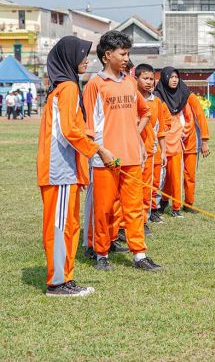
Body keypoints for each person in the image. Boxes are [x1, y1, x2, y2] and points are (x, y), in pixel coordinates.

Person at [37, 36, 115, 296]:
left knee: (70, 225)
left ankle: (66, 278)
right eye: (83, 56)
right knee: (60, 227)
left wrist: (88, 133)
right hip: (59, 172)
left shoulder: (65, 87)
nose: (87, 61)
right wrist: (99, 149)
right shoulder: (68, 87)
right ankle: (57, 283)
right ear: (69, 57)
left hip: (67, 172)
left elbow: (71, 127)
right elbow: (70, 131)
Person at [83, 30, 161, 272]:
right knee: (104, 210)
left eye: (128, 54)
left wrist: (134, 138)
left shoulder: (129, 82)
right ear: (107, 55)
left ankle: (139, 254)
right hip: (106, 160)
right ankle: (101, 253)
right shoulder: (95, 85)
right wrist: (101, 151)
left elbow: (144, 111)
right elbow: (89, 126)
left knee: (134, 207)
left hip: (132, 158)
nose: (127, 58)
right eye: (123, 53)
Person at [155, 66, 211, 216]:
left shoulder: (186, 93)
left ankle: (189, 203)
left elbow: (200, 115)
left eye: (176, 77)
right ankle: (166, 201)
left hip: (190, 138)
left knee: (190, 174)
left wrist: (204, 139)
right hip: (171, 139)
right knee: (170, 173)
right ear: (165, 78)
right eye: (171, 77)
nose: (174, 80)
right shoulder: (159, 96)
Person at [135, 64, 171, 227]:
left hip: (150, 152)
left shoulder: (156, 102)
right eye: (145, 78)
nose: (149, 82)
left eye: (152, 79)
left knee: (148, 187)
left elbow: (161, 129)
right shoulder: (132, 99)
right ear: (136, 79)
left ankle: (144, 218)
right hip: (133, 150)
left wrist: (163, 151)